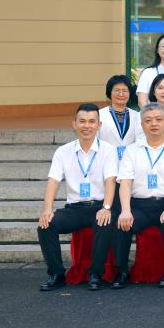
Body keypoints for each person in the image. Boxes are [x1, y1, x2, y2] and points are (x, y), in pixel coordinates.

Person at [36, 104, 118, 291]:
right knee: (46, 226)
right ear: (74, 124)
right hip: (74, 209)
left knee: (104, 223)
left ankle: (95, 274)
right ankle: (56, 274)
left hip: (98, 206)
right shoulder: (63, 152)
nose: (86, 126)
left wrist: (106, 207)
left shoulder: (109, 150)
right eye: (82, 121)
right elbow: (53, 181)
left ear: (99, 125)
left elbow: (111, 181)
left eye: (91, 121)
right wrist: (47, 210)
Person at [114, 103, 164, 288]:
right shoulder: (131, 150)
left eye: (158, 119)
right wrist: (125, 210)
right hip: (140, 205)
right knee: (122, 224)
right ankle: (121, 271)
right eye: (148, 120)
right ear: (141, 124)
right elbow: (125, 183)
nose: (154, 124)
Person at [99, 75, 141, 160]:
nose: (121, 94)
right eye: (117, 90)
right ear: (110, 92)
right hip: (105, 159)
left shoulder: (137, 115)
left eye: (125, 91)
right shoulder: (99, 115)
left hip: (130, 161)